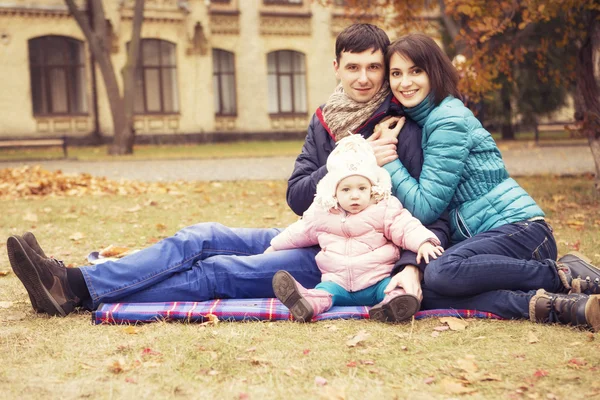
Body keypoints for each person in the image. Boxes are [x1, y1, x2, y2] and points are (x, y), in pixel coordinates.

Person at [5, 24, 449, 318]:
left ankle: (72, 288)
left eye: (375, 67)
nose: (365, 78)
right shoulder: (327, 118)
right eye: (353, 66)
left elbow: (427, 210)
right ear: (336, 68)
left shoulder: (400, 126)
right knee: (199, 236)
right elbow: (297, 196)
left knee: (216, 273)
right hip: (310, 229)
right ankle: (72, 281)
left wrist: (410, 267)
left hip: (343, 261)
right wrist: (344, 162)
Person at [370, 32, 600, 330]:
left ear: (434, 72)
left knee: (440, 273)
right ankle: (554, 306)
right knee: (429, 291)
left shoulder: (446, 120)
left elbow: (425, 207)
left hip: (521, 232)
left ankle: (561, 275)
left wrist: (388, 160)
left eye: (416, 71)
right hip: (488, 239)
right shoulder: (425, 119)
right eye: (396, 74)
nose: (405, 82)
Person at [268, 135, 444, 322]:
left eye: (362, 188)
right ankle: (305, 304)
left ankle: (392, 306)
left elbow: (406, 227)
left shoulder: (383, 208)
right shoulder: (322, 213)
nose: (355, 196)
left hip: (377, 280)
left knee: (394, 289)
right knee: (322, 293)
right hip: (336, 282)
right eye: (346, 190)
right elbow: (298, 232)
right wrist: (275, 246)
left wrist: (424, 242)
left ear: (372, 188)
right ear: (334, 191)